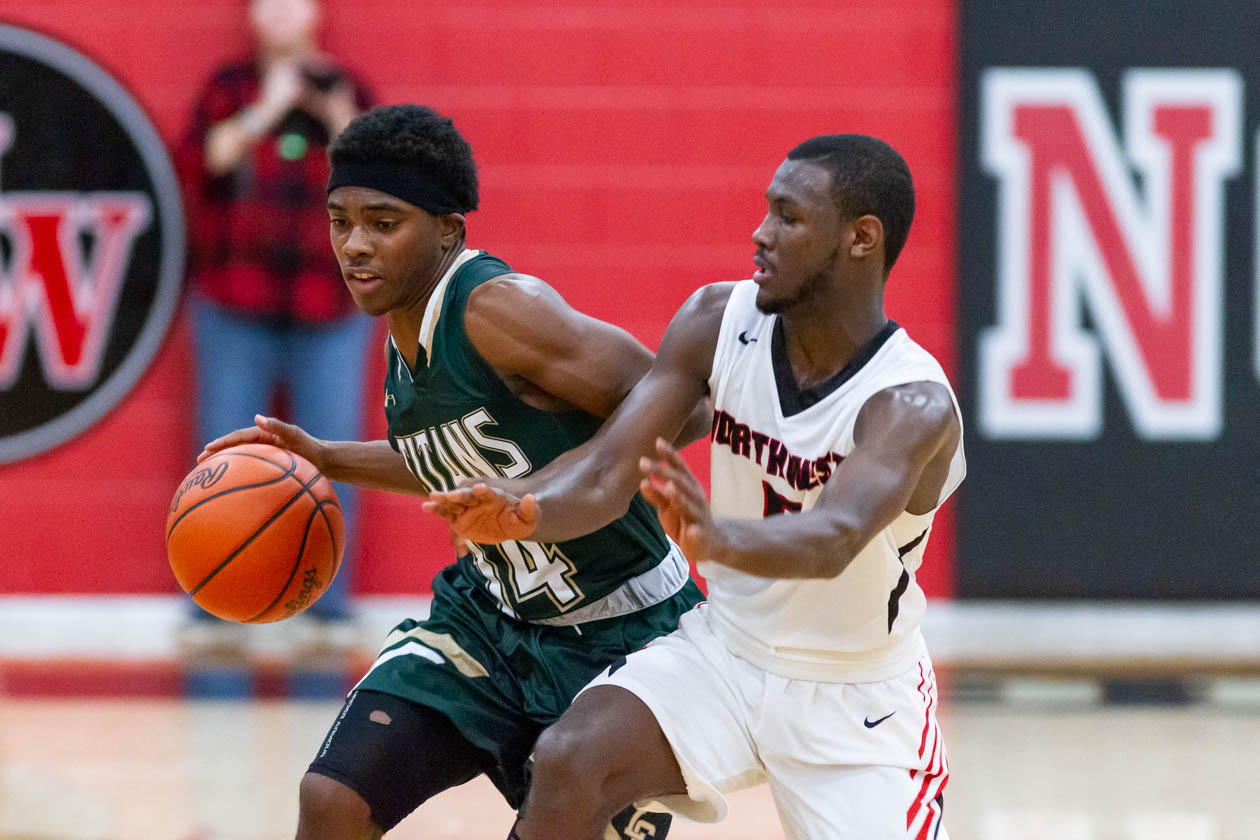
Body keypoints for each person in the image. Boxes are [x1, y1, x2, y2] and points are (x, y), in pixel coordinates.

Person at [425, 134, 965, 839]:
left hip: (858, 697)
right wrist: (527, 509)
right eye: (766, 211)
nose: (760, 233)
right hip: (728, 651)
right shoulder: (717, 321)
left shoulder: (910, 402)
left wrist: (717, 537)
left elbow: (834, 537)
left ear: (862, 239)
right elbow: (608, 469)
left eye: (788, 218)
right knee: (568, 760)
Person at [199, 103, 708, 839]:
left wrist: (561, 486)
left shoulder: (498, 311)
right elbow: (451, 460)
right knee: (332, 800)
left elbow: (676, 399)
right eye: (340, 221)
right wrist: (326, 457)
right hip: (488, 620)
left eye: (383, 221)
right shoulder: (404, 329)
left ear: (448, 229)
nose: (354, 245)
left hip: (623, 635)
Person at [176, 0, 374, 648]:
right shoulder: (229, 88)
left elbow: (381, 180)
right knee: (223, 452)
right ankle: (214, 601)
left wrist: (333, 115)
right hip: (237, 298)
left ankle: (325, 606)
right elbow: (202, 162)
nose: (283, 10)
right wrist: (266, 107)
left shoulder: (347, 91)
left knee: (337, 452)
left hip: (333, 303)